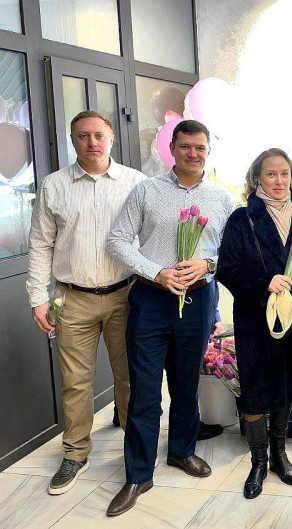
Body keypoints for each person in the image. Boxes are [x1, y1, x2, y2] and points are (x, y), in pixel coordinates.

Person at [105, 120, 235, 516]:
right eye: (186, 147)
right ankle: (138, 473)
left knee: (185, 384)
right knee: (145, 391)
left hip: (198, 300)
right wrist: (156, 272)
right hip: (151, 299)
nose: (193, 153)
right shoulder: (147, 190)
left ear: (208, 151)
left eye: (200, 147)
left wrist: (208, 264)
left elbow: (232, 253)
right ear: (172, 149)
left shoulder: (222, 199)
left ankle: (181, 450)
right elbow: (117, 240)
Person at [26, 110, 145, 495]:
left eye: (99, 135)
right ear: (72, 139)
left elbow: (148, 238)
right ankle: (76, 452)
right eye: (83, 135)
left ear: (111, 138)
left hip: (126, 295)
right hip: (71, 299)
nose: (92, 142)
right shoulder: (54, 186)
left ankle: (134, 445)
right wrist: (37, 298)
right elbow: (40, 244)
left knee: (130, 375)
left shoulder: (135, 183)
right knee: (76, 382)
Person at [216, 148, 292, 499]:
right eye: (271, 174)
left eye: (285, 173)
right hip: (256, 321)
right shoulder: (242, 218)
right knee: (256, 393)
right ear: (257, 178)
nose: (279, 181)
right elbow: (227, 269)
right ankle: (258, 462)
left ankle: (280, 455)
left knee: (287, 388)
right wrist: (265, 283)